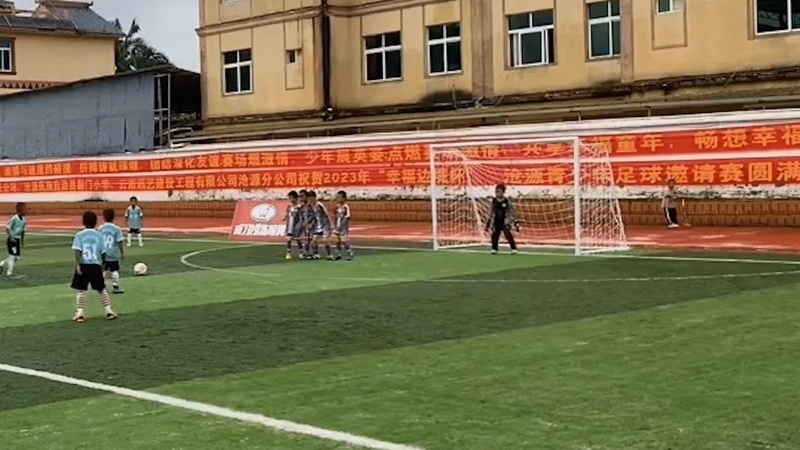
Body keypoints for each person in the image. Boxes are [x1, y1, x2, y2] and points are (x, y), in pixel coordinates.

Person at [71, 211, 117, 322]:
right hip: (95, 265)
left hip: (84, 265)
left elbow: (78, 251)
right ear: (95, 222)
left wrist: (77, 265)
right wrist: (103, 264)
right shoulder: (99, 235)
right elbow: (103, 252)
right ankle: (108, 311)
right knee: (102, 290)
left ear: (83, 221)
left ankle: (80, 313)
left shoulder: (79, 235)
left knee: (82, 291)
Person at [485, 183, 518, 255]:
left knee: (508, 234)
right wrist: (488, 222)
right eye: (496, 192)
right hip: (496, 220)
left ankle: (513, 248)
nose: (497, 194)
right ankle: (494, 248)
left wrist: (514, 221)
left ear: (503, 192)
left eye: (499, 192)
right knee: (495, 235)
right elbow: (490, 211)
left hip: (504, 221)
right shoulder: (493, 201)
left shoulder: (507, 201)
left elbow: (512, 211)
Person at [99, 208, 125, 294]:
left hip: (103, 253)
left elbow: (98, 241)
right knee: (114, 270)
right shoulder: (116, 229)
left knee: (104, 270)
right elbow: (120, 241)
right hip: (113, 252)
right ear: (114, 217)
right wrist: (122, 252)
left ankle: (102, 287)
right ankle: (116, 287)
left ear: (104, 217)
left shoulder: (101, 228)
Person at [2, 202, 26, 279]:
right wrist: (10, 237)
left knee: (17, 257)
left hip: (17, 240)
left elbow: (23, 231)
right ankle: (9, 273)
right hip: (12, 240)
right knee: (12, 256)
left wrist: (22, 242)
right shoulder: (14, 218)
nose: (26, 211)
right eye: (24, 209)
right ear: (20, 210)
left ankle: (1, 264)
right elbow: (7, 228)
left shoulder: (24, 220)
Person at [307, 191, 333, 260]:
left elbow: (327, 214)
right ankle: (316, 254)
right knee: (314, 240)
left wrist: (331, 224)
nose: (310, 200)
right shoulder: (310, 206)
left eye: (311, 198)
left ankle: (329, 254)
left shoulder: (320, 205)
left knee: (325, 240)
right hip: (317, 225)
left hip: (325, 224)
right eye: (309, 199)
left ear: (314, 197)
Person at [333, 190, 353, 260]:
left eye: (339, 197)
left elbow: (347, 217)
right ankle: (338, 253)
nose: (338, 199)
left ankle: (349, 252)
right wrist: (335, 226)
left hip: (343, 227)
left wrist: (341, 226)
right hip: (338, 226)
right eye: (337, 197)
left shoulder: (346, 207)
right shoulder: (337, 207)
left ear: (344, 198)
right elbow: (335, 216)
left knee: (344, 241)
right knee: (337, 241)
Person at [284, 191, 301, 260]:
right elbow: (287, 214)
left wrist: (299, 225)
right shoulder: (289, 206)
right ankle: (288, 253)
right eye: (289, 198)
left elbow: (301, 217)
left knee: (298, 239)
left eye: (291, 198)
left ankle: (301, 252)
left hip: (296, 225)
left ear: (295, 198)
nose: (290, 199)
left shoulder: (299, 207)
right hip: (290, 226)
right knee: (289, 239)